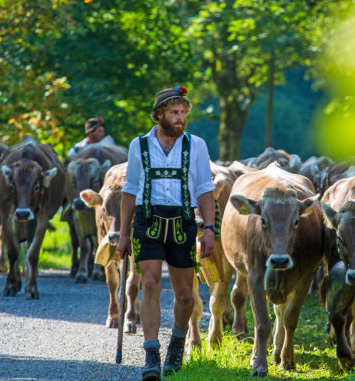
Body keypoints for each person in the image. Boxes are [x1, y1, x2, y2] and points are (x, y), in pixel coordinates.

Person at [117, 86, 215, 380]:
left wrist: (209, 228)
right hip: (147, 220)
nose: (181, 117)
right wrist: (123, 233)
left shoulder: (196, 145)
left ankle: (175, 346)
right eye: (174, 112)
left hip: (183, 222)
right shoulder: (139, 145)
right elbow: (130, 190)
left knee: (185, 295)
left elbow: (205, 189)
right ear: (159, 115)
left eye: (184, 112)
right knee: (149, 284)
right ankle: (151, 356)